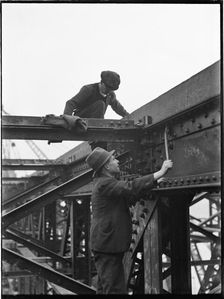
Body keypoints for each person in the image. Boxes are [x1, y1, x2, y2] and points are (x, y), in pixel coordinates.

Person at [85, 147, 173, 294]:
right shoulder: (104, 183)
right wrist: (159, 172)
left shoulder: (106, 183)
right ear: (107, 166)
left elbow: (129, 196)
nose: (117, 161)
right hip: (107, 245)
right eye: (113, 159)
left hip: (106, 244)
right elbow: (130, 187)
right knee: (114, 290)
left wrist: (154, 182)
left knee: (106, 288)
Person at [63, 71, 129, 118]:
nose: (108, 91)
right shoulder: (88, 89)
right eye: (107, 89)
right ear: (102, 83)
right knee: (100, 104)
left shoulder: (110, 95)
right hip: (81, 119)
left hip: (98, 121)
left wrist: (129, 117)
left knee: (101, 105)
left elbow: (118, 107)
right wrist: (68, 119)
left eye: (111, 90)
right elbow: (71, 103)